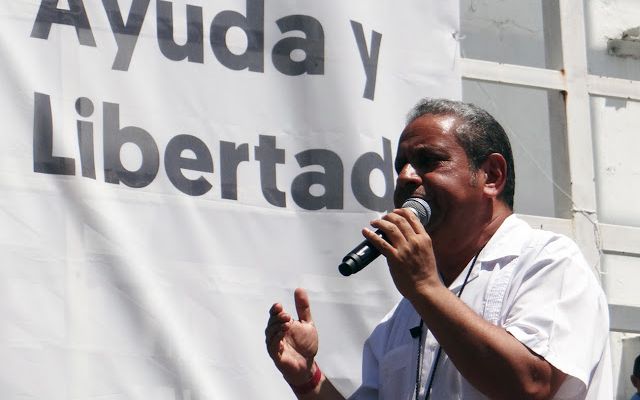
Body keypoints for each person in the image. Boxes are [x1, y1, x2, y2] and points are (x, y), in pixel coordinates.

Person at [264, 98, 611, 399]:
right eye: (400, 164)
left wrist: (425, 288)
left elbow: (532, 384)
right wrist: (307, 378)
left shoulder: (548, 262)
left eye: (428, 161)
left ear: (491, 175)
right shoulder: (403, 316)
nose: (406, 176)